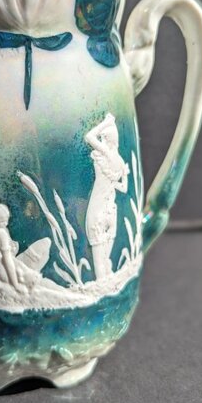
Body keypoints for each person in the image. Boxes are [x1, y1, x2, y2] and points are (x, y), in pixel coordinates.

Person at [84, 113, 129, 279]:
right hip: (111, 210)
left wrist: (106, 122)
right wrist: (121, 177)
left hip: (97, 209)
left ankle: (101, 288)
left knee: (99, 262)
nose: (101, 141)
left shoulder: (106, 153)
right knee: (105, 259)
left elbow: (89, 136)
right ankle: (109, 288)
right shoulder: (120, 161)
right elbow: (123, 188)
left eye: (102, 138)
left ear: (107, 139)